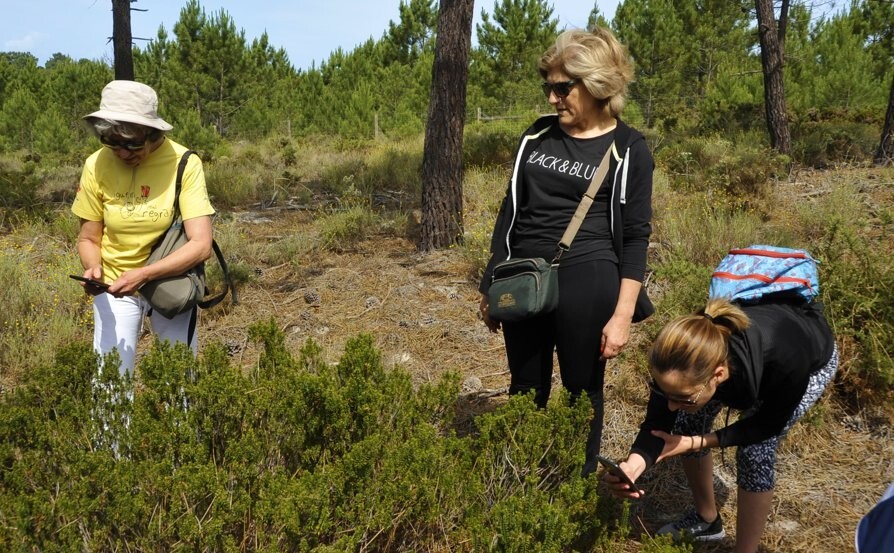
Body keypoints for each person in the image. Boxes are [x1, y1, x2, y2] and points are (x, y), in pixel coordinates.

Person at [478, 27, 654, 475]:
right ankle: (522, 480)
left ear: (596, 86)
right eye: (548, 88)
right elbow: (509, 212)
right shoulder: (535, 137)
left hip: (588, 279)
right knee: (525, 385)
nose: (553, 99)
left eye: (562, 88)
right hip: (524, 277)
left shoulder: (628, 149)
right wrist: (491, 282)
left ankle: (575, 487)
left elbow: (636, 235)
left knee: (581, 389)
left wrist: (622, 315)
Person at [603, 297, 838, 553]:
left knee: (755, 452)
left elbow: (765, 426)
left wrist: (695, 443)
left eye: (683, 397)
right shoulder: (678, 359)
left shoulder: (785, 361)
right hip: (736, 367)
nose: (671, 405)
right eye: (666, 393)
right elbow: (657, 423)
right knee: (686, 421)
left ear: (719, 374)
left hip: (807, 361)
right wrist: (634, 466)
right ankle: (708, 521)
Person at [72, 80, 215, 376]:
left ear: (154, 133)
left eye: (132, 143)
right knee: (111, 384)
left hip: (170, 284)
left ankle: (179, 424)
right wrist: (93, 268)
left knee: (179, 380)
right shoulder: (95, 165)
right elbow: (88, 238)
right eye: (111, 142)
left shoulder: (184, 163)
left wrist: (143, 274)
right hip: (114, 287)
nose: (122, 153)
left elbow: (201, 245)